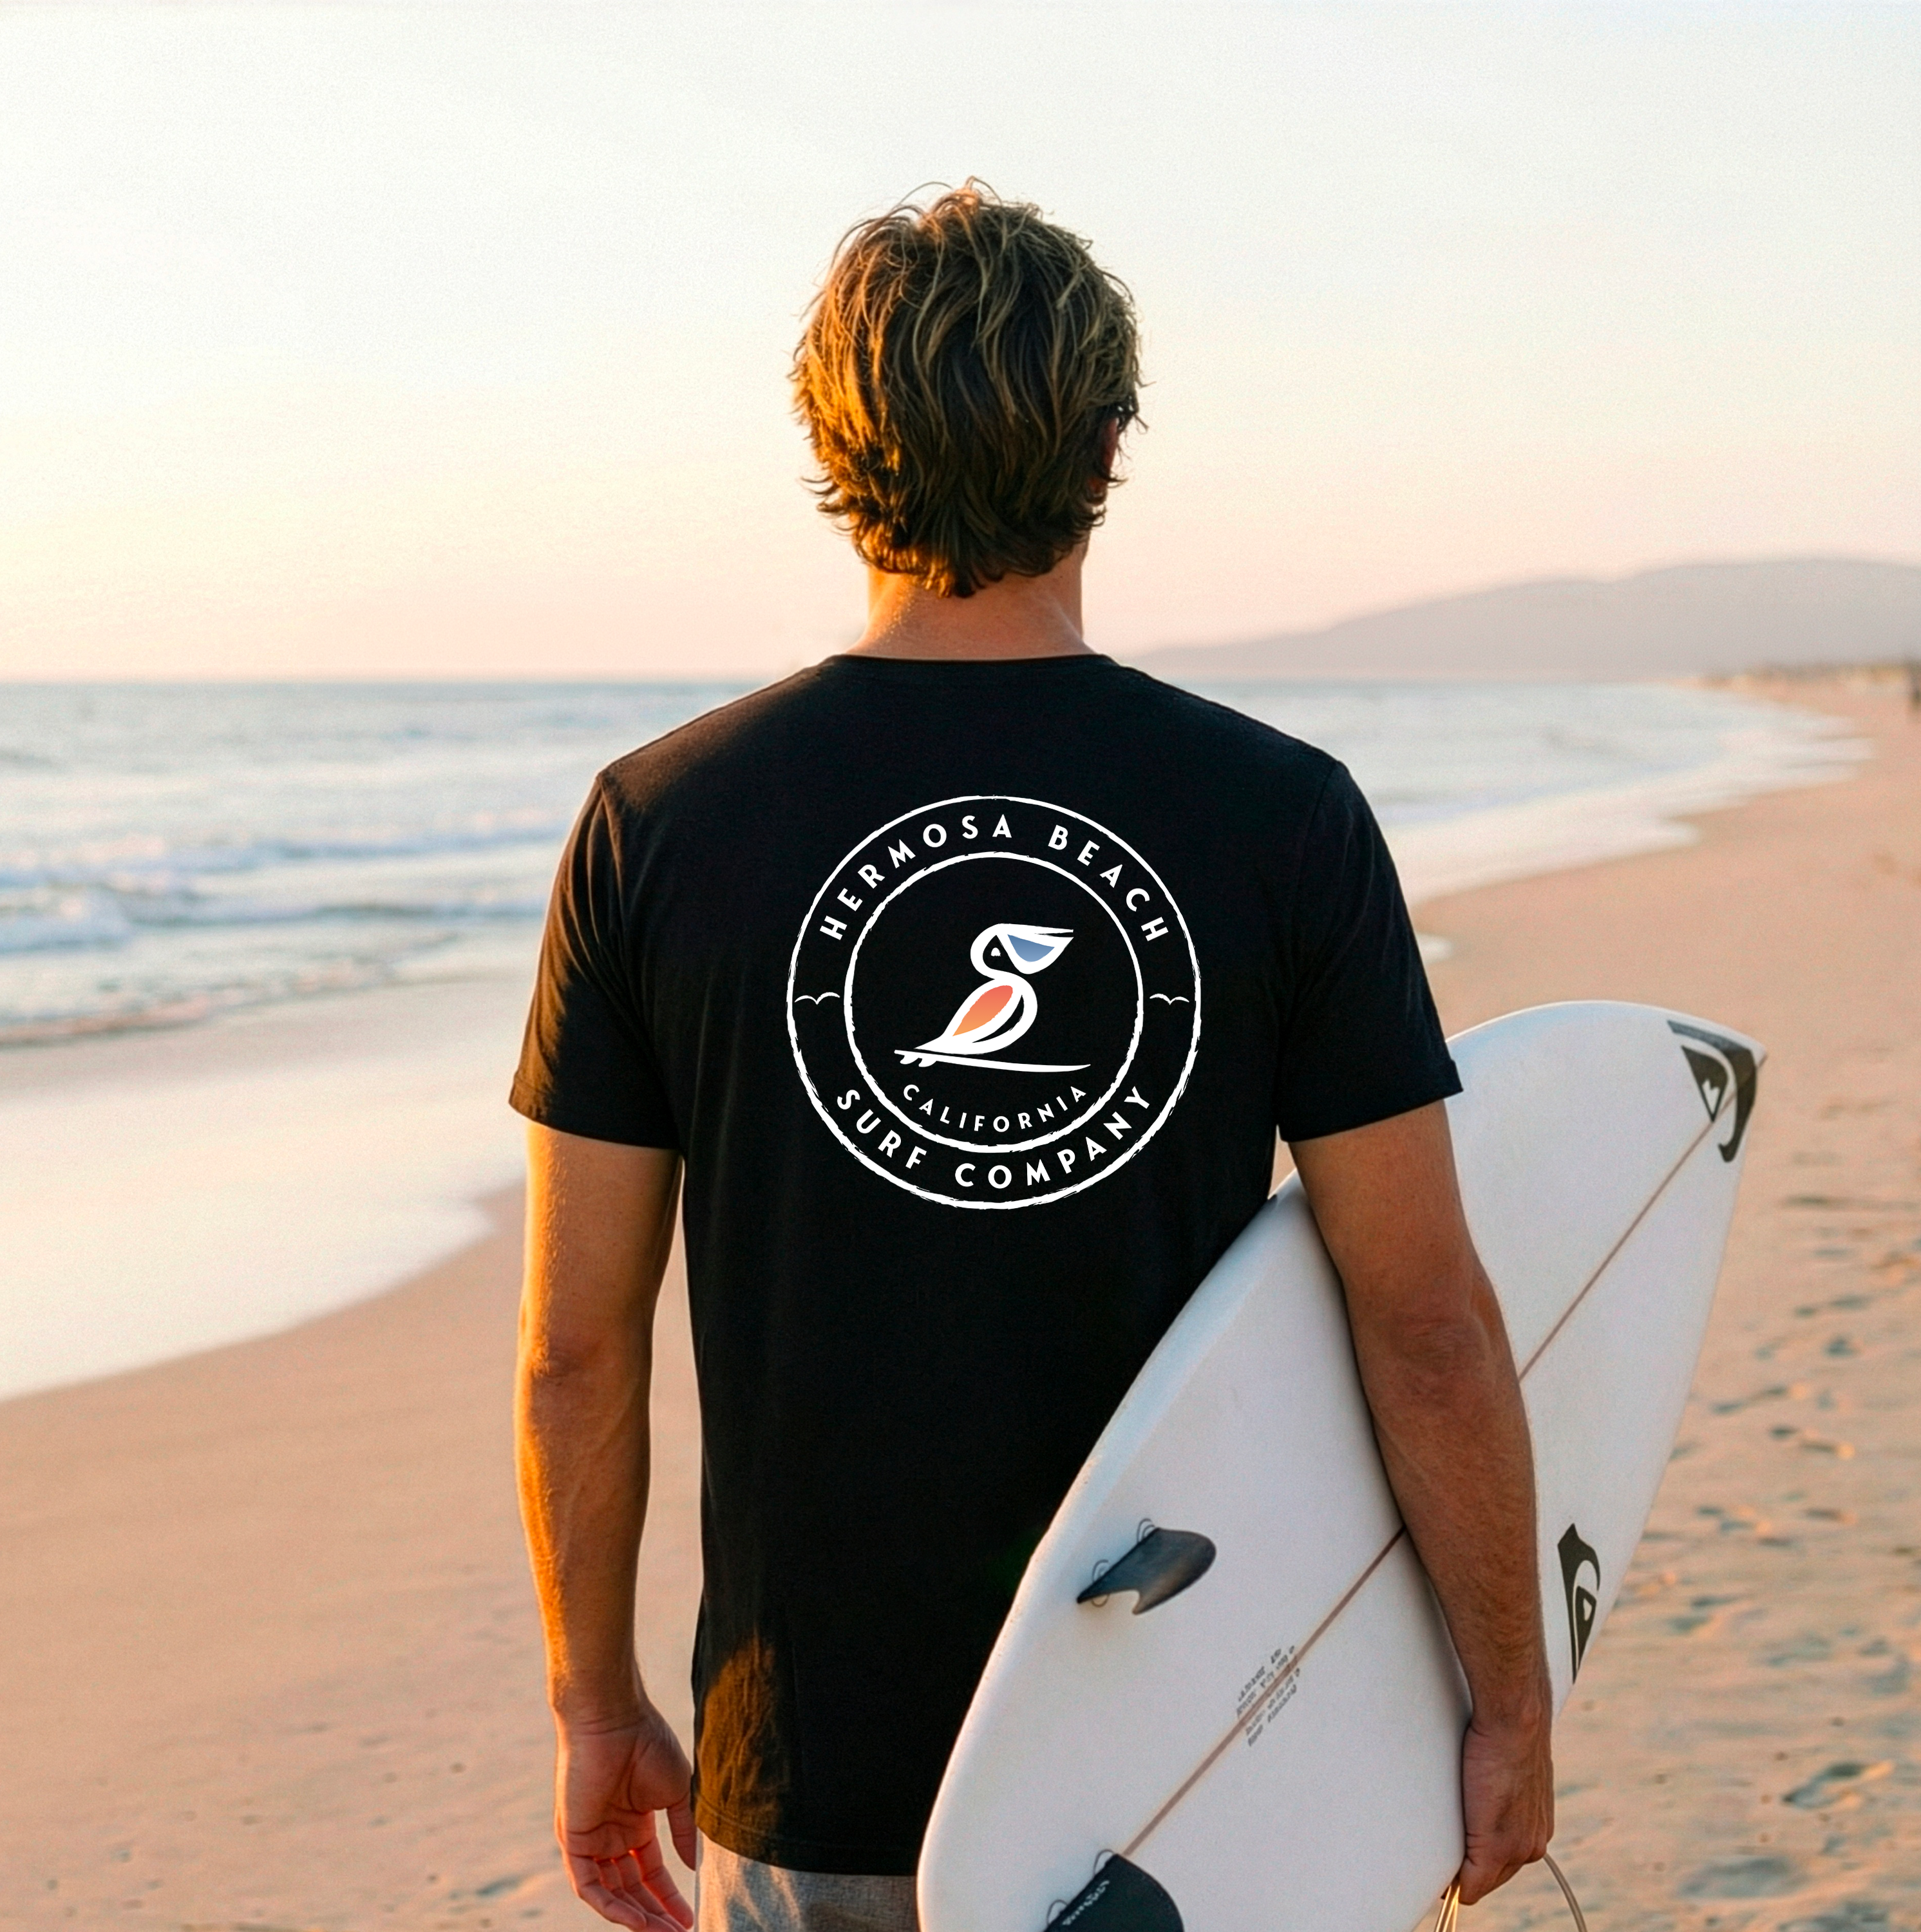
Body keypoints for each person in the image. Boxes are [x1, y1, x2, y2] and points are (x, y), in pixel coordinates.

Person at [511, 184, 1553, 1932]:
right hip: (1187, 1760)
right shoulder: (1278, 818)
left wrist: (595, 1707)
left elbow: (575, 1348)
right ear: (1110, 447)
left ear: (831, 448)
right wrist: (1509, 1699)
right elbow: (1425, 1318)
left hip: (811, 1772)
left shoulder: (659, 826)